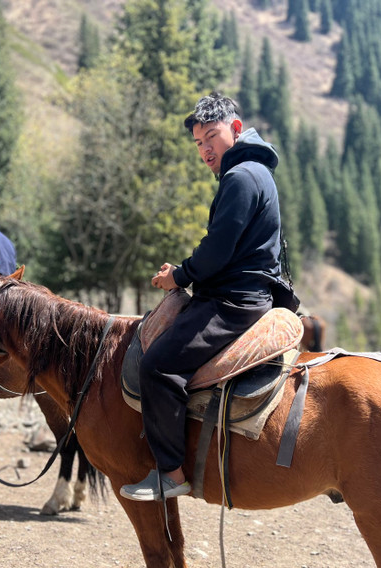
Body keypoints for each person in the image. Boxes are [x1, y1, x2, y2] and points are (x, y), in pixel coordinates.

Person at [121, 92, 283, 502]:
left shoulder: (241, 176)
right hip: (243, 293)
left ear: (235, 129)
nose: (205, 150)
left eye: (211, 137)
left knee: (157, 367)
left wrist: (179, 275)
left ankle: (171, 473)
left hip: (232, 302)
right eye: (198, 143)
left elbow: (218, 249)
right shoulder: (254, 171)